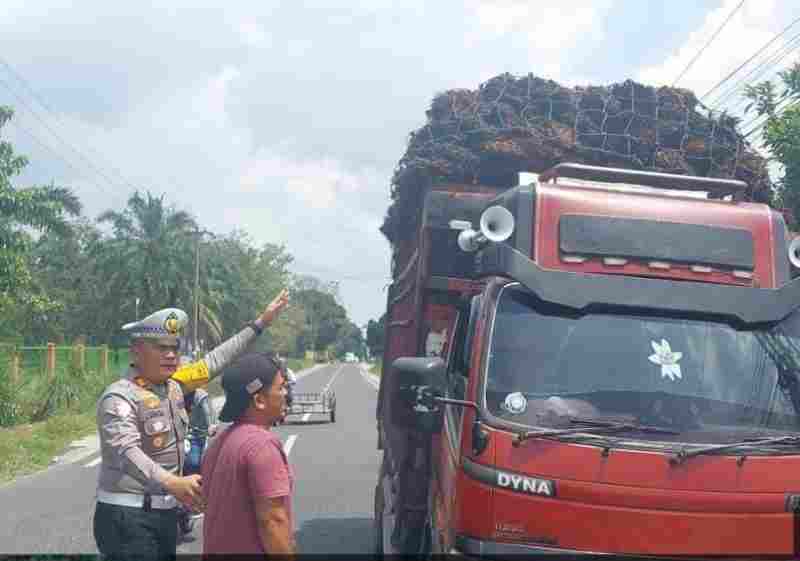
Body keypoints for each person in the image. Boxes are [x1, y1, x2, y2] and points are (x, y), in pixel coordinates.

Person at [92, 289, 290, 560]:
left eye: (174, 348)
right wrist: (172, 482)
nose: (171, 355)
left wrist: (261, 323)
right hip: (127, 516)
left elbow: (216, 360)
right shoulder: (119, 396)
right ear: (136, 351)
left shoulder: (175, 386)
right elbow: (125, 451)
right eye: (161, 348)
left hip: (164, 515)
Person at [201, 352, 295, 555]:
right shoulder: (262, 446)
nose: (286, 393)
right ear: (259, 400)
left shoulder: (220, 442)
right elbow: (273, 522)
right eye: (280, 388)